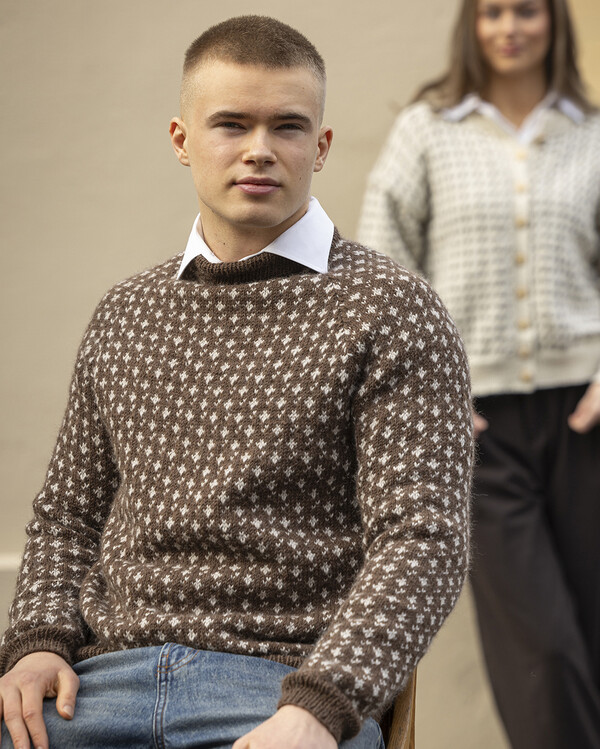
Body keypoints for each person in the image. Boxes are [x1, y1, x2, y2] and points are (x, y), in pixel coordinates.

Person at [0, 15, 473, 749]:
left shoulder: (392, 310)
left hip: (275, 690)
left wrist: (321, 706)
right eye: (230, 124)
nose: (259, 149)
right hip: (94, 688)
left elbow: (424, 537)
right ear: (181, 139)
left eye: (287, 126)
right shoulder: (126, 312)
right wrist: (36, 642)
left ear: (320, 146)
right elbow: (69, 515)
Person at [358, 0, 600, 747]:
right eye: (493, 11)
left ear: (554, 21)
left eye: (527, 9)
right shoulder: (428, 130)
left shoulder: (592, 132)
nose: (510, 27)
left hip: (588, 416)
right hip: (477, 429)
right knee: (544, 652)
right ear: (473, 23)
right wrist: (430, 387)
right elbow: (382, 264)